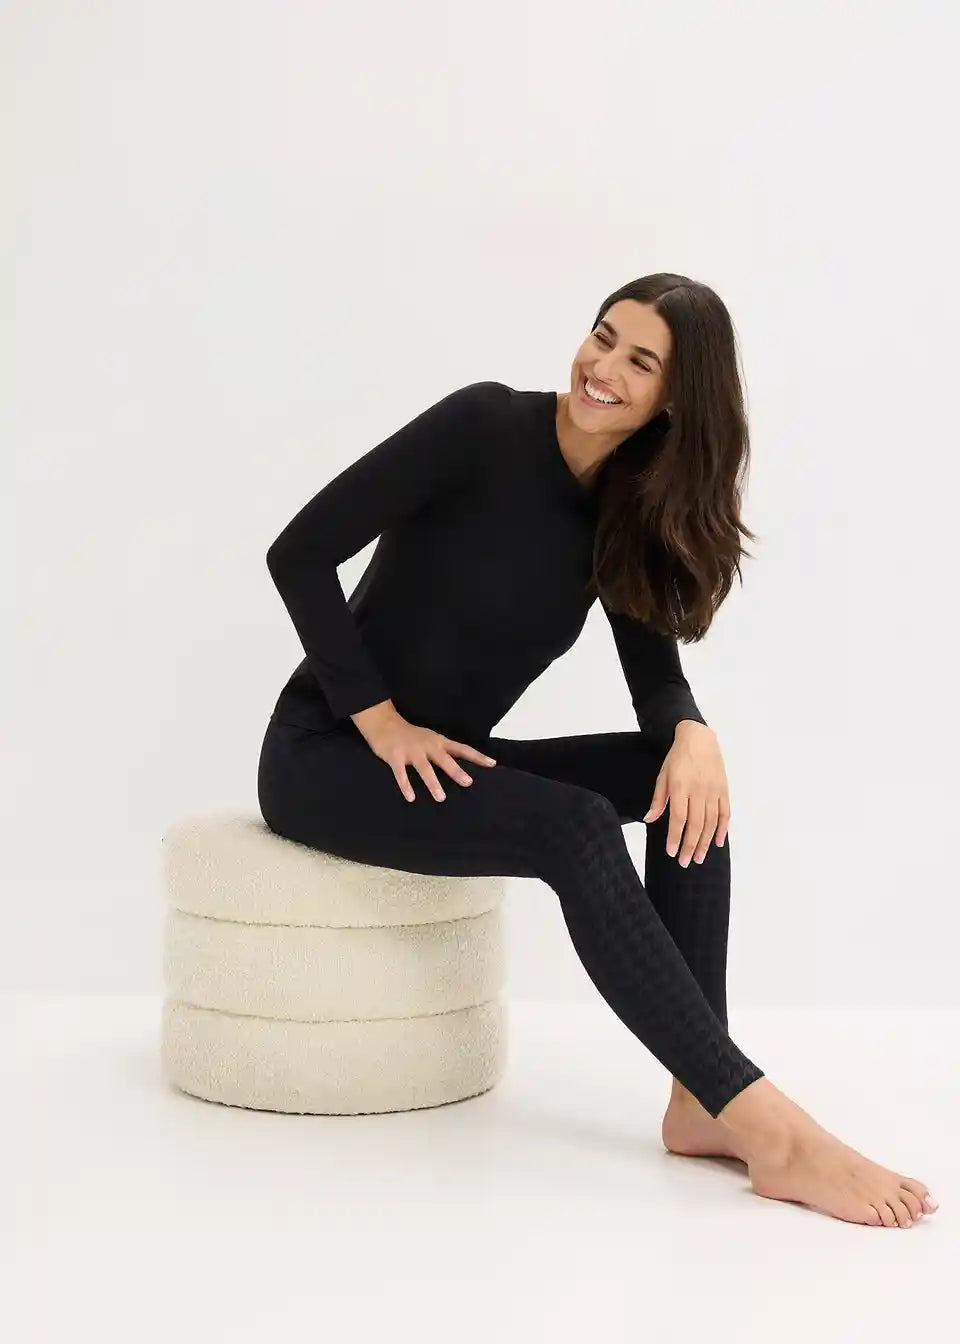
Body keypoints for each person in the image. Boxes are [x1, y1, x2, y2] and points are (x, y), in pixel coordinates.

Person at [257, 273, 938, 1228]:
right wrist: (378, 720)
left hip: (446, 758)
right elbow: (298, 551)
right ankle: (765, 1124)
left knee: (675, 781)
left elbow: (652, 671)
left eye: (640, 360)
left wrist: (693, 733)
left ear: (675, 400)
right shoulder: (482, 427)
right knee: (573, 824)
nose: (603, 366)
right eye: (603, 335)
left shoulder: (625, 503)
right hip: (324, 757)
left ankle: (699, 1099)